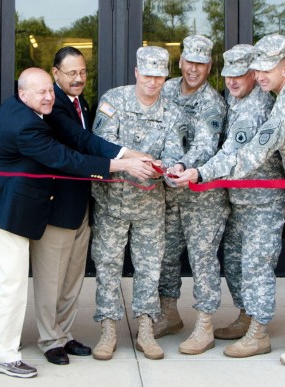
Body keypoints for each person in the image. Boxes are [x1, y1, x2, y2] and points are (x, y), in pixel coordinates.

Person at [173, 34, 285, 368]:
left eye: (264, 70)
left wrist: (201, 173)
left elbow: (250, 153)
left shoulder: (283, 106)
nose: (258, 76)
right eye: (255, 70)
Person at [0, 47, 150, 366]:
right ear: (26, 90)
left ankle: (27, 340)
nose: (48, 96)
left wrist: (128, 154)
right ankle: (7, 352)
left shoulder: (46, 106)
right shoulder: (31, 121)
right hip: (13, 210)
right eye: (69, 74)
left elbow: (81, 141)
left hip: (42, 204)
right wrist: (122, 164)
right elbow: (67, 155)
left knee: (18, 280)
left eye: (83, 72)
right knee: (14, 283)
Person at [190, 44, 285, 358]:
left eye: (240, 75)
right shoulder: (236, 99)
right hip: (239, 200)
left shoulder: (256, 108)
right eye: (228, 75)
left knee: (256, 266)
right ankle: (246, 316)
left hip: (262, 202)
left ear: (255, 74)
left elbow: (232, 154)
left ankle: (258, 332)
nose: (232, 82)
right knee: (234, 264)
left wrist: (198, 172)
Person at [91, 46, 184, 361]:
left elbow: (174, 153)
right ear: (136, 72)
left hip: (150, 206)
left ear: (166, 76)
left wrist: (170, 168)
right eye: (147, 75)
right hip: (112, 205)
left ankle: (146, 328)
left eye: (159, 76)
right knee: (107, 266)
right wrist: (134, 160)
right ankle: (108, 330)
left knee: (149, 268)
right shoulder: (113, 101)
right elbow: (103, 146)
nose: (152, 82)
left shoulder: (171, 112)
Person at [154, 35, 229, 355]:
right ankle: (169, 313)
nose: (194, 69)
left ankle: (205, 324)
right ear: (181, 61)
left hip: (201, 194)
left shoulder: (213, 102)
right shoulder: (166, 89)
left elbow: (204, 144)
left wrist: (183, 165)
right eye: (190, 61)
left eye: (201, 63)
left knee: (202, 259)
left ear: (209, 67)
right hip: (170, 190)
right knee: (166, 254)